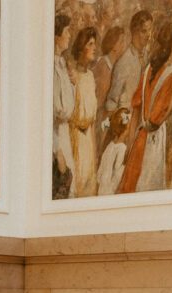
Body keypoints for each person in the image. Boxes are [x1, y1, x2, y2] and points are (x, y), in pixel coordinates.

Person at [118, 18, 172, 193]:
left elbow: (138, 107)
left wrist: (131, 140)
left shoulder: (148, 69)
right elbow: (162, 112)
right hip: (153, 136)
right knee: (147, 183)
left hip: (140, 135)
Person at [105, 9, 153, 117]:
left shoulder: (147, 56)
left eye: (150, 30)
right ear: (134, 32)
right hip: (126, 120)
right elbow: (111, 103)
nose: (148, 35)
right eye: (144, 31)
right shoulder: (124, 62)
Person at [69, 25, 98, 196]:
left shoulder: (90, 76)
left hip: (88, 139)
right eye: (90, 44)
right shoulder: (72, 75)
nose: (94, 48)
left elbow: (92, 120)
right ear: (81, 48)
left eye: (95, 44)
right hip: (76, 138)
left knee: (90, 183)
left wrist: (94, 150)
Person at [53, 12, 75, 199]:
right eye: (66, 31)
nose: (69, 35)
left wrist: (72, 84)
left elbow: (68, 104)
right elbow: (51, 113)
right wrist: (56, 148)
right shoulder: (50, 66)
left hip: (64, 132)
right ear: (56, 36)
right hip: (56, 136)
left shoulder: (61, 63)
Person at [96, 105, 129, 194]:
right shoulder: (122, 148)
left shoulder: (110, 145)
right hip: (110, 191)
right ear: (126, 129)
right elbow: (118, 175)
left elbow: (99, 175)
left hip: (102, 188)